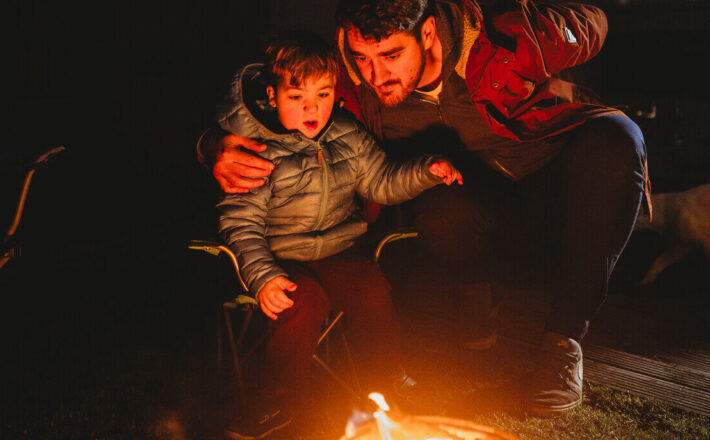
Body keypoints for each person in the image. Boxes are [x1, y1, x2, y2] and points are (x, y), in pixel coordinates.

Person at [198, 0, 650, 418]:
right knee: (440, 203)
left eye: (391, 56)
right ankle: (475, 293)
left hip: (553, 193)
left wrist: (537, 34)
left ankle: (562, 342)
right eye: (362, 59)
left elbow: (595, 21)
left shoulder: (494, 43)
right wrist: (212, 144)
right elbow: (271, 91)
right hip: (467, 210)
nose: (375, 76)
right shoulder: (346, 82)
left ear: (428, 33)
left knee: (618, 137)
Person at [213, 31, 462, 439]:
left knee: (369, 287)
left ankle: (386, 384)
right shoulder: (255, 151)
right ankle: (279, 398)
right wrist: (263, 276)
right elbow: (240, 224)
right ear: (273, 97)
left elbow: (381, 181)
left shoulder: (348, 135)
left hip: (337, 250)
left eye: (324, 95)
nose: (313, 109)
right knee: (301, 300)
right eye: (297, 98)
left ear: (335, 92)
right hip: (281, 257)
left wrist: (424, 172)